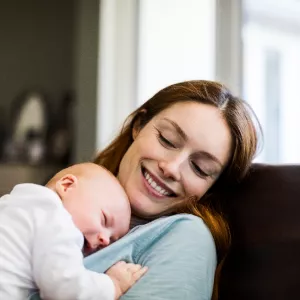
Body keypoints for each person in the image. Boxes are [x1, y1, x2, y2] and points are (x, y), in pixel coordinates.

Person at [31, 80, 260, 300]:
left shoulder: (187, 237)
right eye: (167, 140)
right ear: (139, 126)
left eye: (200, 168)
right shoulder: (69, 194)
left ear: (211, 188)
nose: (171, 168)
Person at [0, 163, 147, 300]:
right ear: (67, 186)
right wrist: (114, 285)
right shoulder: (56, 217)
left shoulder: (16, 203)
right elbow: (64, 286)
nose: (106, 241)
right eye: (104, 219)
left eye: (113, 240)